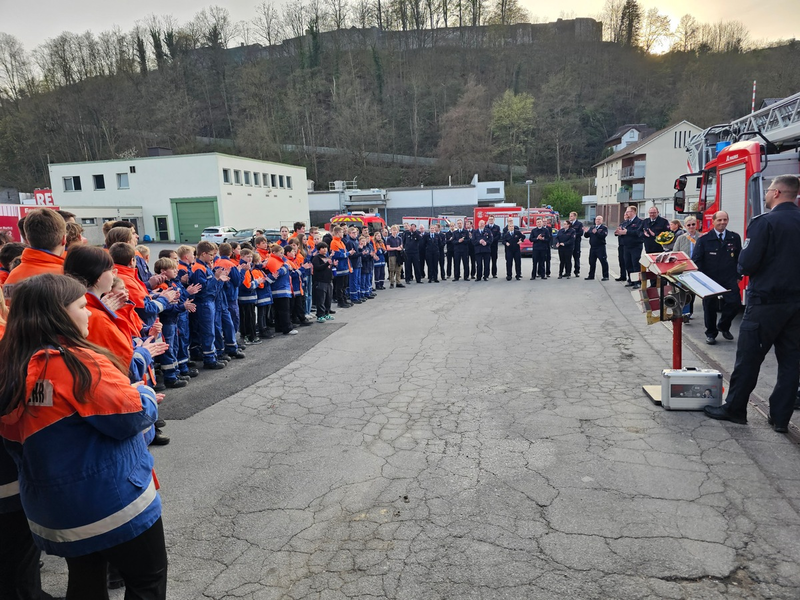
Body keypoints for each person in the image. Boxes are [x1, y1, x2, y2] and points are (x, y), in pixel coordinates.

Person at [0, 274, 167, 599]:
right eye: (81, 305)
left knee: (85, 583)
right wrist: (143, 392)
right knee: (147, 581)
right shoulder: (74, 363)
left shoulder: (14, 368)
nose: (90, 312)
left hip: (57, 513)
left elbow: (49, 417)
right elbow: (131, 416)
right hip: (112, 504)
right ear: (58, 314)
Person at [704, 175, 800, 433]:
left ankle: (735, 409)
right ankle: (780, 418)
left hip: (766, 303)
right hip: (797, 305)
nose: (766, 194)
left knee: (748, 358)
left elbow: (746, 264)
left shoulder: (764, 222)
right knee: (792, 363)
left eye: (769, 190)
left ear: (778, 192)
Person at [692, 211, 742, 345]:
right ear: (713, 221)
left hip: (729, 278)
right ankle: (711, 333)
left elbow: (740, 258)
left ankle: (724, 326)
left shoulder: (734, 237)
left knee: (735, 303)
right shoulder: (704, 240)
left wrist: (739, 275)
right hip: (710, 279)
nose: (722, 222)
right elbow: (697, 260)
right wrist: (701, 279)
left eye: (725, 220)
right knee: (710, 307)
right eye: (719, 220)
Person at [3, 208, 66, 299]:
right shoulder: (66, 276)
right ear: (64, 239)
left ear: (27, 240)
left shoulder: (12, 276)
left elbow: (7, 310)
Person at [190, 241, 228, 369]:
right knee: (208, 331)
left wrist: (218, 279)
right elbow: (203, 287)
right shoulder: (198, 268)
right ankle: (209, 359)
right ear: (203, 254)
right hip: (204, 302)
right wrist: (215, 278)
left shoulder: (204, 267)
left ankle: (212, 356)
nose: (213, 258)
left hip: (209, 301)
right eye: (211, 255)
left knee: (210, 330)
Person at [615, 205, 644, 288]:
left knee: (635, 264)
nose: (626, 213)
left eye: (628, 211)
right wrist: (619, 232)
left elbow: (638, 233)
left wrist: (627, 232)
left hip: (635, 245)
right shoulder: (626, 222)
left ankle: (637, 282)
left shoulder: (639, 222)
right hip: (626, 246)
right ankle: (631, 280)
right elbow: (623, 231)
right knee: (628, 263)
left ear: (633, 212)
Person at [311, 242, 334, 322]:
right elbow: (317, 268)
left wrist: (333, 264)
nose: (324, 250)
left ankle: (327, 313)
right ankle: (320, 315)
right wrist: (327, 263)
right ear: (319, 250)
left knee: (328, 298)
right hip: (320, 281)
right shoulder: (316, 258)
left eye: (326, 248)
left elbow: (328, 267)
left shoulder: (326, 257)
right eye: (322, 248)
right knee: (321, 299)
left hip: (328, 280)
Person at [330, 226, 352, 307]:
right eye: (341, 232)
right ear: (337, 233)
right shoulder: (334, 242)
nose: (343, 233)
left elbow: (344, 254)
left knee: (344, 285)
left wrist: (347, 254)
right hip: (339, 267)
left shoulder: (341, 242)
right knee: (339, 286)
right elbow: (338, 255)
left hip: (345, 267)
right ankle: (340, 301)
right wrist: (348, 253)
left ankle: (344, 299)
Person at [584, 215, 610, 281]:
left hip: (600, 247)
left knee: (603, 261)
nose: (597, 221)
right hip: (593, 248)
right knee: (592, 262)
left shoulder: (603, 228)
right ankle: (591, 275)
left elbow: (603, 236)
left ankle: (605, 276)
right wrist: (586, 232)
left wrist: (596, 233)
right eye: (596, 219)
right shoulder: (592, 227)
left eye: (599, 219)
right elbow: (587, 236)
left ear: (602, 220)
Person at [568, 212, 584, 277]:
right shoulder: (568, 224)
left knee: (576, 257)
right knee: (568, 258)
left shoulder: (579, 224)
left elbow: (581, 233)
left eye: (571, 216)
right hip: (569, 243)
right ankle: (567, 272)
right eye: (570, 216)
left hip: (576, 243)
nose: (570, 217)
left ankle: (577, 271)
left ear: (575, 217)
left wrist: (573, 234)